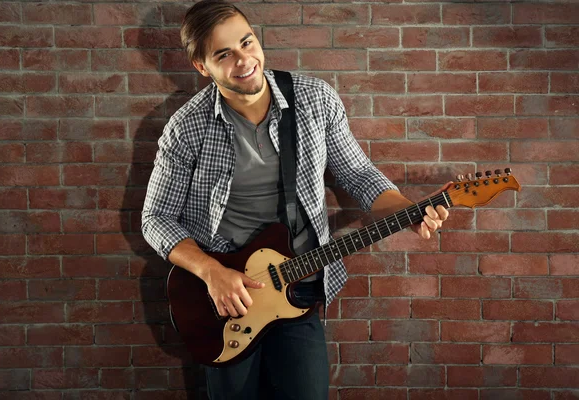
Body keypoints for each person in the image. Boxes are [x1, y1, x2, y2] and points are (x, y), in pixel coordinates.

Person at [141, 1, 449, 399]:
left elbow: (358, 174)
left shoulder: (314, 100)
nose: (244, 59)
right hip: (224, 299)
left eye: (247, 42)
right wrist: (211, 273)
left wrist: (409, 212)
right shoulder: (187, 127)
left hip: (299, 283)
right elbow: (156, 218)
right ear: (202, 66)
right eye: (224, 54)